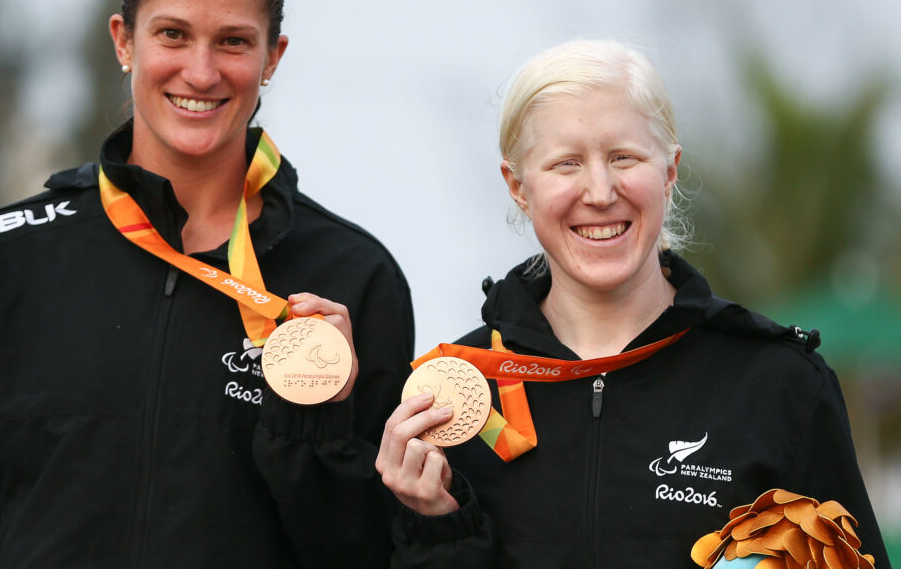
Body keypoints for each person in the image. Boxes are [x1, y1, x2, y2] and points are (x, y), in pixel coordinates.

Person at [0, 0, 414, 568]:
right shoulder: (6, 256)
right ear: (124, 40)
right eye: (173, 34)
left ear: (272, 57)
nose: (200, 72)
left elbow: (363, 551)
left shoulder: (354, 277)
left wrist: (316, 425)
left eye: (232, 41)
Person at [376, 39, 890, 567]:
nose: (599, 191)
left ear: (669, 171)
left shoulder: (779, 384)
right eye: (565, 164)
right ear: (517, 186)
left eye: (624, 157)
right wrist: (438, 526)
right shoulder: (451, 404)